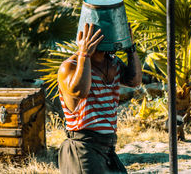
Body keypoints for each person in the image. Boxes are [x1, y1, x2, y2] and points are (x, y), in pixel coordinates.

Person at [57, 23, 142, 174]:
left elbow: (134, 81)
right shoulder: (70, 66)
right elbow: (80, 92)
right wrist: (84, 55)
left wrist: (130, 47)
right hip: (83, 147)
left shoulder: (112, 63)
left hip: (107, 146)